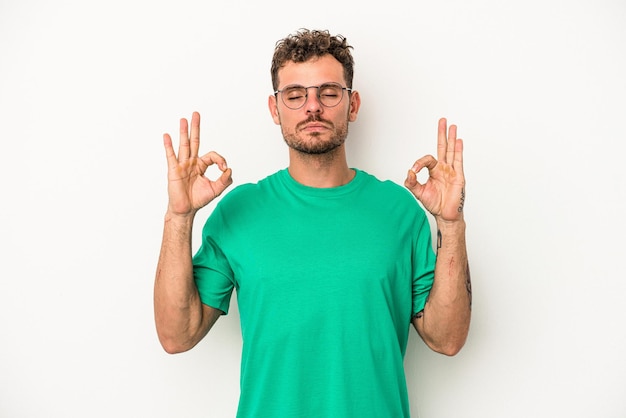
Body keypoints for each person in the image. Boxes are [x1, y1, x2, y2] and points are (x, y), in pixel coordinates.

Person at [154, 29, 471, 417]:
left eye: (329, 92)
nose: (312, 107)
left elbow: (448, 339)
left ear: (352, 105)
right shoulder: (239, 211)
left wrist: (452, 226)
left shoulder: (399, 210)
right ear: (275, 109)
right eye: (295, 95)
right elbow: (176, 335)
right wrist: (179, 217)